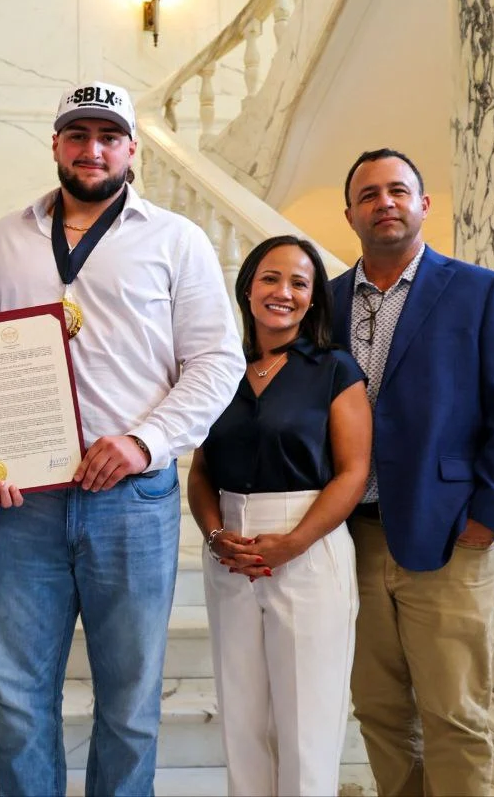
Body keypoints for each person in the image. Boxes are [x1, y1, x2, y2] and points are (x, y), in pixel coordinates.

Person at [0, 80, 245, 795]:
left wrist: (144, 441)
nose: (92, 150)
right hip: (24, 506)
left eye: (108, 137)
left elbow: (218, 362)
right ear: (56, 144)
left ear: (131, 150)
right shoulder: (3, 240)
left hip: (132, 500)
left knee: (128, 705)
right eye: (77, 135)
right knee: (19, 701)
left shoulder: (177, 240)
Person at [332, 148, 494, 796]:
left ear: (424, 205)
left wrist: (491, 517)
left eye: (398, 191)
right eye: (369, 195)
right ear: (351, 214)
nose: (384, 203)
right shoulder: (329, 300)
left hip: (452, 535)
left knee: (453, 713)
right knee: (378, 710)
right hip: (352, 541)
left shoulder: (479, 291)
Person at [188, 235, 371, 795]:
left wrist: (293, 543)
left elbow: (353, 472)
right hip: (229, 548)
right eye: (270, 278)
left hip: (308, 542)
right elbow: (200, 471)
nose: (283, 292)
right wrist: (216, 533)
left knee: (305, 726)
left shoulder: (335, 369)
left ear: (313, 299)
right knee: (242, 722)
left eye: (299, 282)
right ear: (247, 288)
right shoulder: (220, 368)